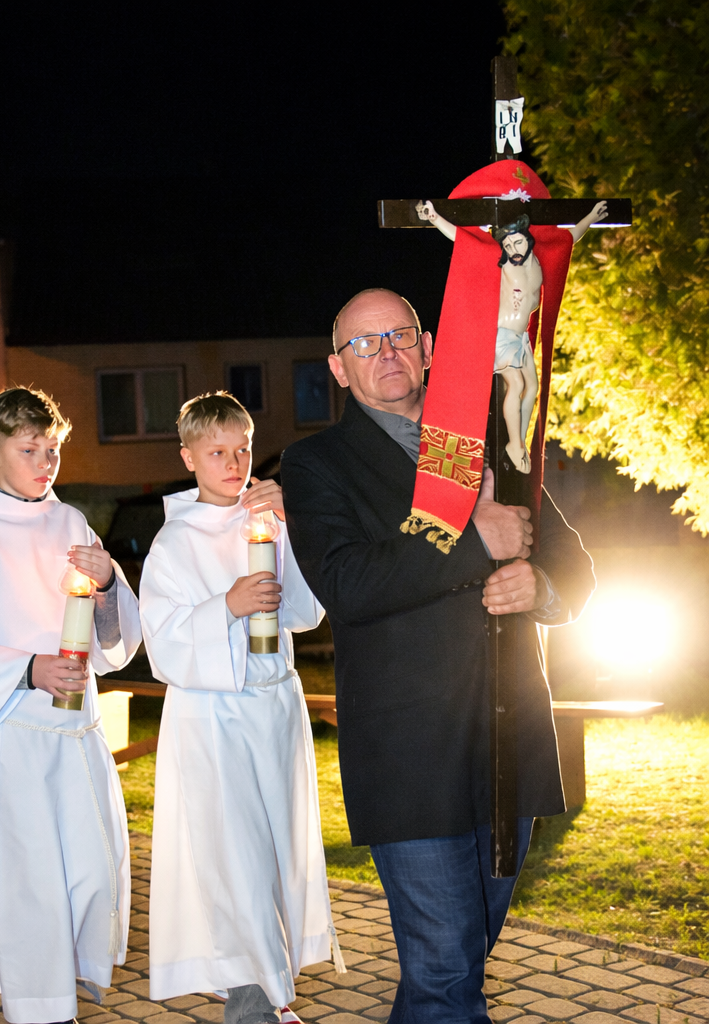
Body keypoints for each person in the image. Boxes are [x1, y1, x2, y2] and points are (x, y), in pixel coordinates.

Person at [281, 290, 596, 1024]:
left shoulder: (491, 441)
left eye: (400, 335)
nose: (386, 353)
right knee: (448, 974)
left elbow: (573, 566)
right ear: (338, 368)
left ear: (427, 348)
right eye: (365, 343)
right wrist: (476, 540)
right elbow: (349, 585)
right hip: (410, 757)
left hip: (507, 744)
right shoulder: (317, 464)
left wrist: (540, 586)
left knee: (452, 969)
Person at [0, 386, 142, 1024]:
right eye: (29, 450)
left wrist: (108, 583)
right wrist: (28, 668)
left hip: (76, 736)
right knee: (32, 891)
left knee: (90, 877)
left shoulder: (70, 522)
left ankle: (61, 992)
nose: (45, 463)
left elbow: (113, 638)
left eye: (53, 450)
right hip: (12, 740)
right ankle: (43, 1012)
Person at [141, 392, 342, 1024]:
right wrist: (227, 606)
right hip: (214, 719)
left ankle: (268, 995)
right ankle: (257, 1005)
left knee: (276, 851)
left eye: (243, 450)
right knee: (237, 858)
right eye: (217, 453)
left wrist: (292, 524)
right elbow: (163, 642)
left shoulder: (268, 518)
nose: (234, 464)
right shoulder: (174, 542)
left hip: (273, 708)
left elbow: (305, 610)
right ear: (189, 458)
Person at [415, 198, 608, 474]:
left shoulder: (539, 263)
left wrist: (590, 218)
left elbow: (567, 240)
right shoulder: (503, 265)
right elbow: (464, 241)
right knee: (515, 384)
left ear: (528, 240)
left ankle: (519, 441)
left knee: (532, 388)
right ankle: (514, 444)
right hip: (501, 335)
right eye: (507, 246)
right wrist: (434, 217)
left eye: (517, 243)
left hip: (520, 337)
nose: (513, 250)